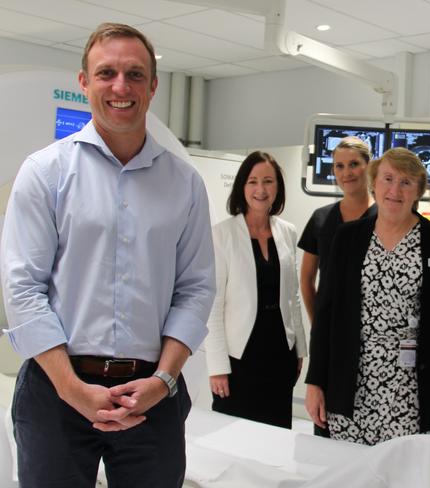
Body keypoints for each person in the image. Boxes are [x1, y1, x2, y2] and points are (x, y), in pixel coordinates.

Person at [0, 23, 216, 487]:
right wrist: (70, 387)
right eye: (107, 73)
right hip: (56, 387)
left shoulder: (185, 183)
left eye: (135, 75)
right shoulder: (45, 172)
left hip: (152, 394)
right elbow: (22, 287)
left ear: (153, 86)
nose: (121, 87)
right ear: (84, 82)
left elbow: (195, 288)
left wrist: (163, 381)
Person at [305, 147, 430, 446]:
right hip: (352, 381)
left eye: (406, 182)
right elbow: (326, 314)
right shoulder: (348, 238)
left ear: (419, 190)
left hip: (410, 388)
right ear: (374, 183)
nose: (395, 190)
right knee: (350, 472)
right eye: (388, 179)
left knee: (403, 471)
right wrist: (315, 382)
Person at [205, 151, 307, 429]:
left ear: (278, 188)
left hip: (279, 353)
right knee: (235, 438)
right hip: (240, 356)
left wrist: (299, 349)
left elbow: (293, 296)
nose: (260, 190)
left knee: (276, 438)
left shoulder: (287, 231)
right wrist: (217, 368)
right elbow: (212, 306)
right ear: (242, 186)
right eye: (252, 181)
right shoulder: (222, 234)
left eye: (268, 181)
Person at [298, 136, 376, 436]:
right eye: (339, 166)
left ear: (369, 166)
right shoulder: (322, 219)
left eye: (354, 164)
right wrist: (319, 322)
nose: (347, 173)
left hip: (374, 334)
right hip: (332, 334)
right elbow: (307, 279)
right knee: (329, 422)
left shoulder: (385, 217)